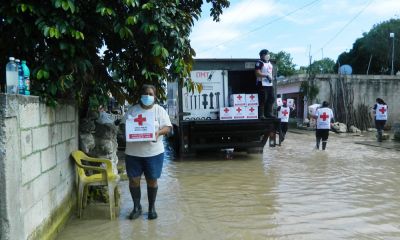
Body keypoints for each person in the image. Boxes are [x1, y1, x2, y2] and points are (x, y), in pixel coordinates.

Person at [122, 84, 172, 220]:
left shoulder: (159, 111)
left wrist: (158, 132)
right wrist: (127, 132)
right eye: (145, 93)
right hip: (133, 154)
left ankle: (151, 208)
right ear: (140, 95)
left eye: (151, 94)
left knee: (152, 181)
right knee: (133, 180)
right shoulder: (132, 111)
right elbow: (124, 126)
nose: (148, 96)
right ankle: (136, 207)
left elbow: (168, 128)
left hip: (154, 154)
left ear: (155, 96)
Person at [255, 49, 274, 118]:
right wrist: (266, 75)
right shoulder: (259, 63)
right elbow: (257, 73)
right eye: (266, 54)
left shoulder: (269, 63)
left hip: (269, 84)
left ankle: (269, 113)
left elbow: (271, 72)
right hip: (262, 84)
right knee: (263, 99)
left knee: (271, 98)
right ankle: (261, 114)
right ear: (262, 55)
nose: (268, 55)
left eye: (268, 54)